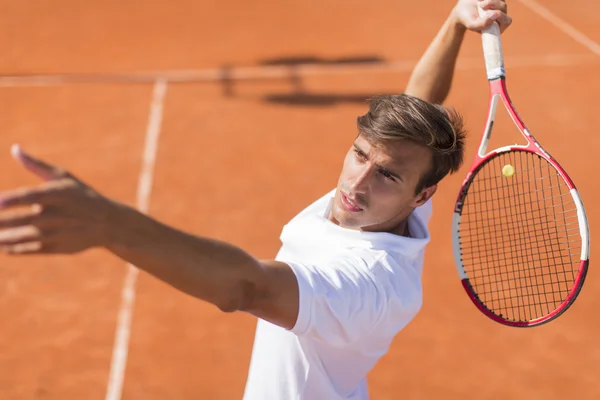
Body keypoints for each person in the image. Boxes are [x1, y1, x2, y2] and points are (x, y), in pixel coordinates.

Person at [0, 0, 511, 398]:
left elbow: (244, 287)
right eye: (358, 154)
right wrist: (453, 22)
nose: (356, 184)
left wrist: (109, 226)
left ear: (424, 194)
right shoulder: (404, 196)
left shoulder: (368, 287)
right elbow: (419, 105)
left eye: (386, 177)